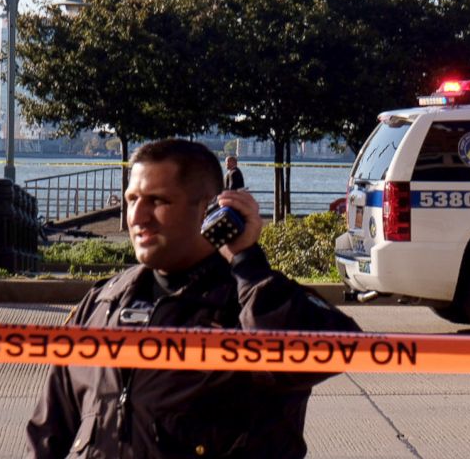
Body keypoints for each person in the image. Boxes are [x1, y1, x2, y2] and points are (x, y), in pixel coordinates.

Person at [27, 139, 360, 459]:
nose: (137, 217)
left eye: (157, 201)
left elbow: (337, 351)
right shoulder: (102, 303)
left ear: (207, 208)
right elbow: (48, 433)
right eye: (131, 199)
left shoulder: (252, 300)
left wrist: (246, 262)